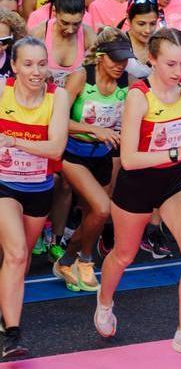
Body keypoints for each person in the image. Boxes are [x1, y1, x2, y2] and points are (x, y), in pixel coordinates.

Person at [94, 28, 181, 361]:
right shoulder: (138, 96)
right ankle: (104, 301)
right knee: (123, 256)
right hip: (138, 182)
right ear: (151, 60)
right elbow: (128, 159)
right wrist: (177, 151)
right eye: (170, 64)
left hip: (174, 180)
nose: (178, 71)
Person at [0, 37, 70, 359]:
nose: (36, 71)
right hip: (4, 186)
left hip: (39, 189)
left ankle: (6, 310)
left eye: (42, 64)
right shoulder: (2, 92)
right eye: (27, 64)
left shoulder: (58, 98)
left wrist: (13, 140)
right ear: (14, 66)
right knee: (15, 254)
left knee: (22, 259)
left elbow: (55, 148)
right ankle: (13, 335)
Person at [53, 29, 134, 292]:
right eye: (115, 60)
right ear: (100, 57)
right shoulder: (80, 77)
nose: (120, 66)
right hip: (74, 154)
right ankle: (86, 261)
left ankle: (66, 262)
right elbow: (57, 120)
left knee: (94, 218)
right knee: (102, 209)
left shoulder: (126, 83)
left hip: (102, 156)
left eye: (124, 60)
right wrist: (94, 130)